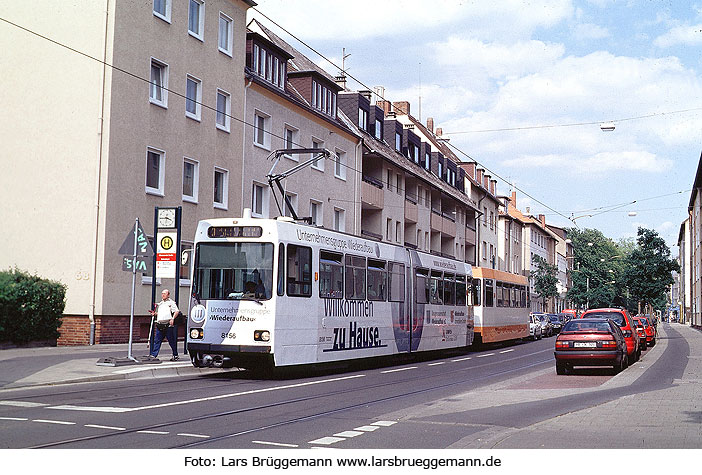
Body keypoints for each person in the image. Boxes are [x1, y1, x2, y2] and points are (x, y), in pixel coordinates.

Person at [149, 289, 180, 361]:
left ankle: (175, 354)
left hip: (167, 325)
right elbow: (162, 314)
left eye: (164, 294)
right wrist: (155, 314)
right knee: (157, 340)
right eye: (162, 293)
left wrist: (172, 319)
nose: (163, 295)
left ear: (168, 295)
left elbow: (177, 311)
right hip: (160, 324)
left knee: (171, 341)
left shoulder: (171, 303)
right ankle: (154, 355)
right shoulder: (161, 303)